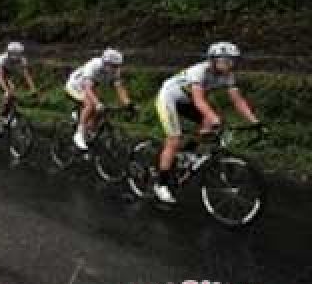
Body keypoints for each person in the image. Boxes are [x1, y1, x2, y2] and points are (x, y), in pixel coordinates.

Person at [153, 42, 261, 204]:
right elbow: (199, 100)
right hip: (168, 98)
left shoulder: (227, 75)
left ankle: (188, 152)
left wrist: (255, 122)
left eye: (233, 60)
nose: (230, 64)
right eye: (226, 60)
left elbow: (238, 101)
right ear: (213, 60)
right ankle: (160, 184)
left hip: (186, 101)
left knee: (210, 123)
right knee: (174, 139)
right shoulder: (199, 71)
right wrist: (213, 117)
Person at [65, 48, 136, 151]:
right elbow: (87, 89)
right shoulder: (94, 65)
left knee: (100, 110)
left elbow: (119, 88)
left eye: (118, 66)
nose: (117, 69)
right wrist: (97, 103)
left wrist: (129, 104)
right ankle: (79, 133)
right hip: (75, 86)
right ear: (106, 63)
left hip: (89, 87)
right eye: (114, 66)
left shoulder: (114, 70)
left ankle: (88, 132)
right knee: (91, 104)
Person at [0, 41, 37, 139]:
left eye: (19, 54)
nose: (17, 56)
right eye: (15, 54)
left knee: (11, 92)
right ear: (9, 52)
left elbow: (27, 75)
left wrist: (33, 89)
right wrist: (6, 90)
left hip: (5, 77)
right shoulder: (1, 59)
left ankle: (3, 116)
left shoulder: (22, 60)